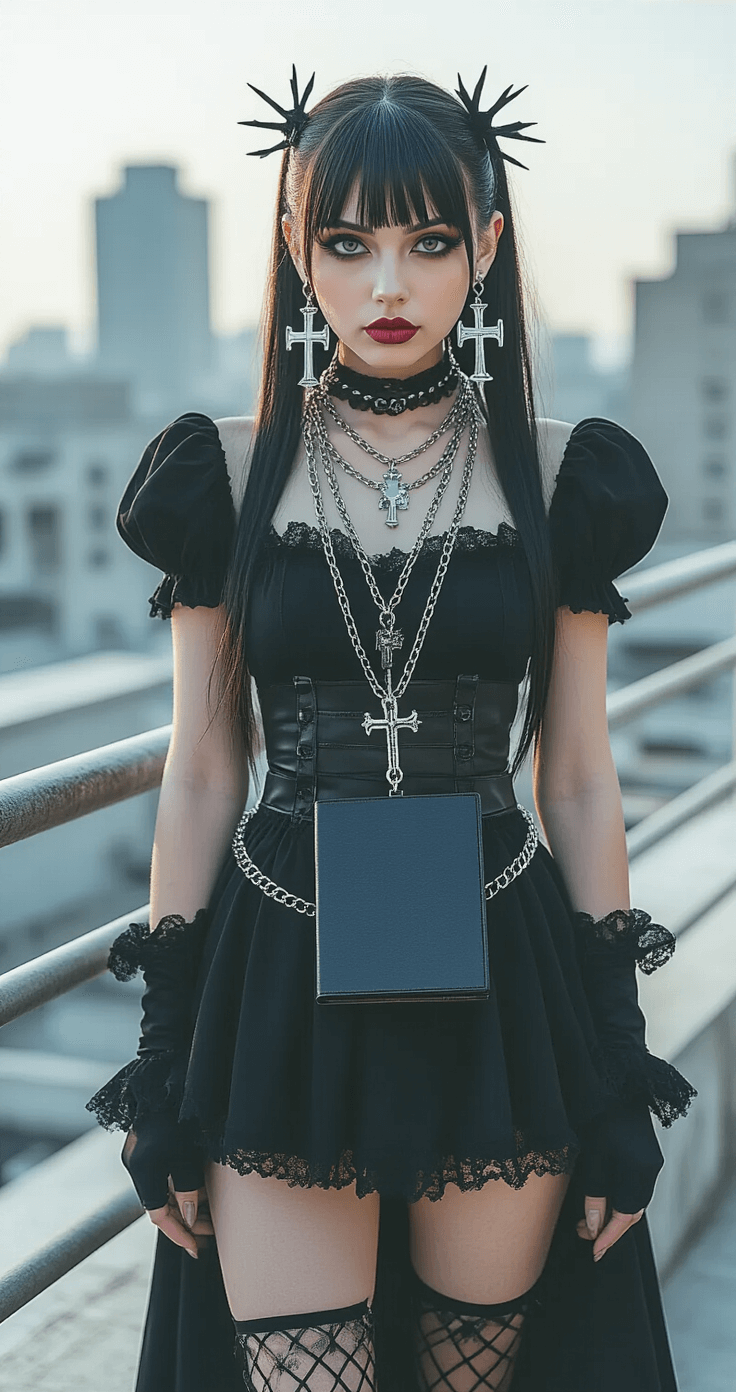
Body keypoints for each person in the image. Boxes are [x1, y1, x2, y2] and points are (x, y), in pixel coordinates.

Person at [88, 69, 696, 1392]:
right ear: (298, 251)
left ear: (486, 245)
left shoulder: (565, 475)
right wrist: (159, 1060)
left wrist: (615, 1061)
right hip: (275, 989)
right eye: (348, 242)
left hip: (503, 980)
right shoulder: (223, 474)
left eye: (429, 242)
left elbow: (581, 779)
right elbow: (201, 770)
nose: (388, 284)